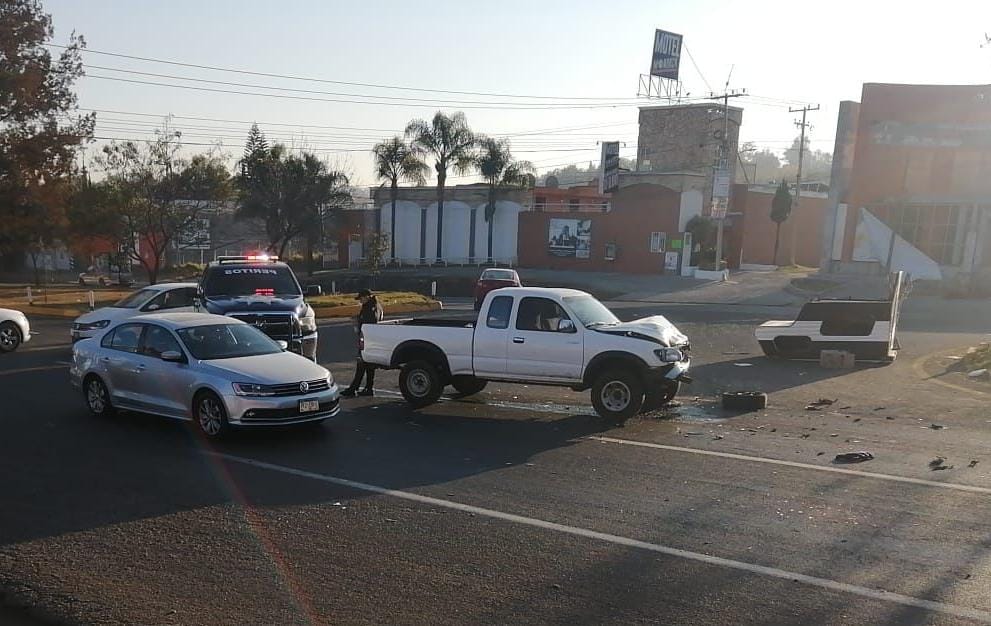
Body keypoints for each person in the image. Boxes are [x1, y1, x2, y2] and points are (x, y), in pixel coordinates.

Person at [341, 288, 383, 397]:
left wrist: (358, 326)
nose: (360, 301)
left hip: (367, 339)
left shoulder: (370, 308)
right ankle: (368, 388)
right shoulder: (376, 306)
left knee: (361, 364)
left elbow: (368, 324)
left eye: (361, 298)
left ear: (367, 297)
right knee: (369, 365)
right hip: (373, 339)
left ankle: (353, 389)